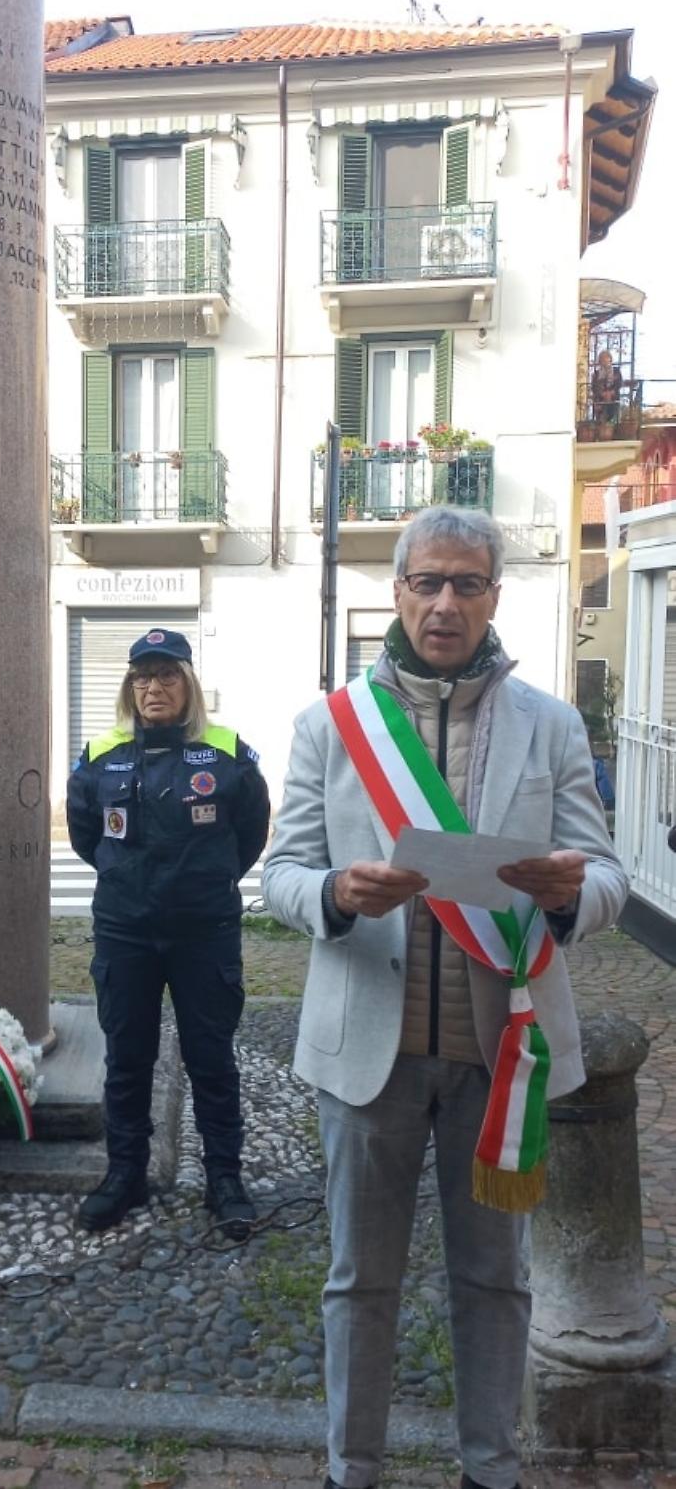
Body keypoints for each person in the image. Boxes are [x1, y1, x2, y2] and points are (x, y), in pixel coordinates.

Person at [262, 507, 628, 1489]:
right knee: (358, 1280)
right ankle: (354, 1468)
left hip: (499, 1052)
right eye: (427, 581)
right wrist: (336, 894)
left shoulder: (549, 724)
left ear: (495, 598)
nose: (444, 603)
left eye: (467, 584)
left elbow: (606, 874)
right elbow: (281, 870)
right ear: (397, 590)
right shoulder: (331, 726)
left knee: (495, 1279)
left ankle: (491, 1469)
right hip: (364, 1047)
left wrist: (567, 898)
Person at [66, 628, 270, 1239]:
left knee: (211, 1058)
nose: (154, 688)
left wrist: (204, 881)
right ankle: (124, 1174)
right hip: (125, 931)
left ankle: (224, 1180)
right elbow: (84, 833)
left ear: (189, 684)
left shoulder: (227, 751)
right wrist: (130, 882)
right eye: (142, 677)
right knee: (128, 1058)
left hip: (203, 931)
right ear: (131, 687)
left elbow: (251, 831)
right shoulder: (102, 754)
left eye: (167, 675)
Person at [592, 349, 623, 424]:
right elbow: (594, 387)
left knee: (613, 419)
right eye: (603, 360)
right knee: (601, 420)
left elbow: (619, 383)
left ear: (610, 360)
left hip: (613, 398)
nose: (605, 363)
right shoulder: (596, 374)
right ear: (600, 362)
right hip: (600, 399)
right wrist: (602, 393)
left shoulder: (616, 371)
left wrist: (612, 392)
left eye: (607, 360)